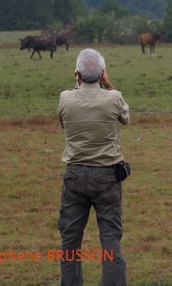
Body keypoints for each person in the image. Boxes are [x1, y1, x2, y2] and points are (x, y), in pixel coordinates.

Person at [57, 48, 130, 285]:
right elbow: (126, 118)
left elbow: (62, 121)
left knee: (70, 240)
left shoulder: (65, 97)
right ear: (102, 74)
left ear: (77, 74)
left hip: (75, 175)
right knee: (110, 238)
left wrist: (78, 86)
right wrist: (108, 84)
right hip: (107, 176)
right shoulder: (114, 97)